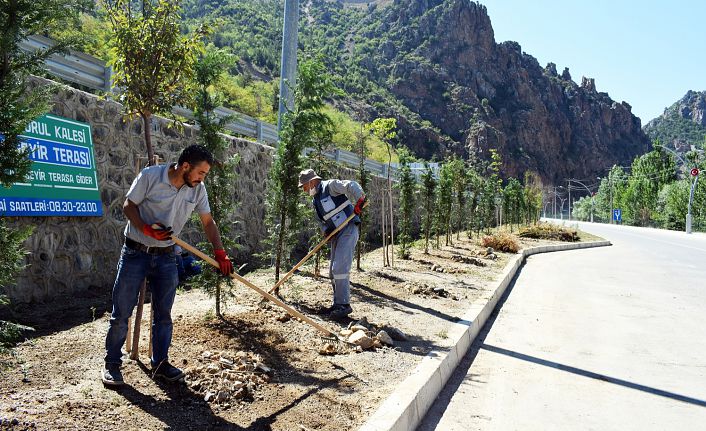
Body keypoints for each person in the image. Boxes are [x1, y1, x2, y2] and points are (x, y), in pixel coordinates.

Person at [102, 145, 234, 387]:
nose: (202, 178)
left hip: (166, 257)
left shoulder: (197, 189)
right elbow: (128, 206)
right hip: (135, 252)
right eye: (201, 173)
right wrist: (146, 229)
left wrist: (220, 252)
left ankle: (160, 364)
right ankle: (112, 364)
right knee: (121, 313)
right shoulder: (150, 176)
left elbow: (208, 222)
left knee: (164, 316)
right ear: (185, 166)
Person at [298, 168, 366, 320]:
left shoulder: (330, 186)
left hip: (348, 229)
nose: (304, 190)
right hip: (336, 234)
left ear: (311, 181)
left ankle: (344, 305)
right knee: (332, 273)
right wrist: (326, 231)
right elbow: (322, 220)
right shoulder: (315, 200)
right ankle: (338, 304)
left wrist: (360, 199)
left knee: (339, 268)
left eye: (304, 186)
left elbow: (351, 185)